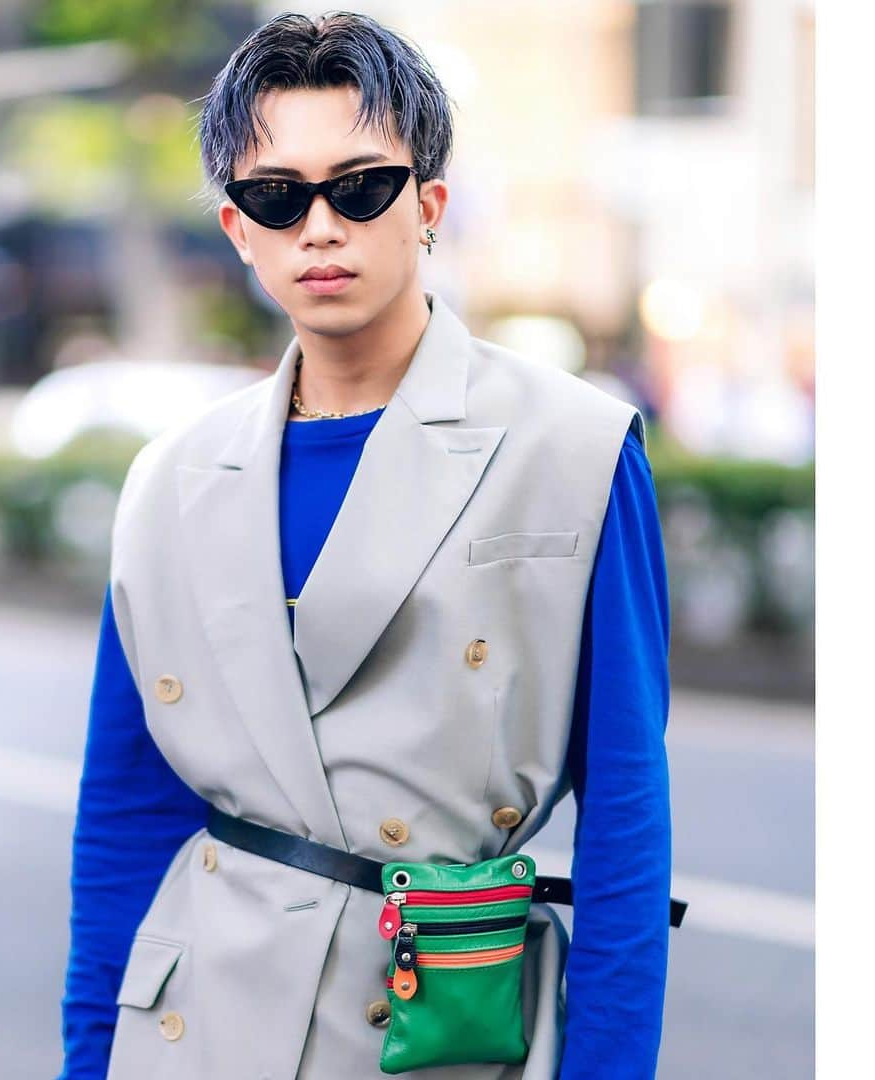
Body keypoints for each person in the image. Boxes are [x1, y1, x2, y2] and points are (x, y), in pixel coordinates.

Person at [58, 11, 676, 1080]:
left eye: (361, 187)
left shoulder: (571, 447)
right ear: (237, 228)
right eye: (277, 197)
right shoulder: (170, 479)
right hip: (193, 1024)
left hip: (437, 1026)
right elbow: (126, 816)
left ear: (428, 206)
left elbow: (627, 822)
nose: (320, 227)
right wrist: (87, 1058)